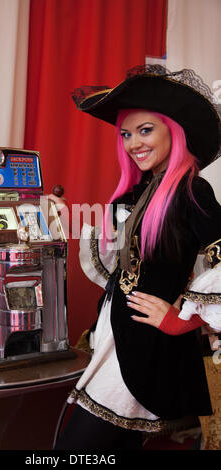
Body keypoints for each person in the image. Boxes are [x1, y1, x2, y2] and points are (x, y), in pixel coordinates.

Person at [54, 65, 221, 450]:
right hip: (116, 339)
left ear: (173, 131)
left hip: (142, 353)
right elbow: (122, 262)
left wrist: (182, 321)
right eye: (126, 134)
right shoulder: (145, 188)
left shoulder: (193, 190)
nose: (133, 143)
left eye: (145, 130)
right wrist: (60, 217)